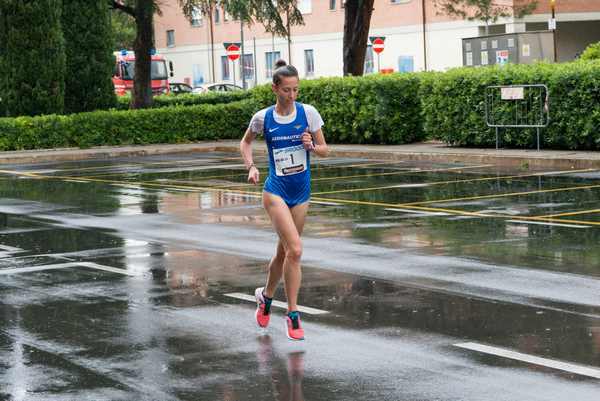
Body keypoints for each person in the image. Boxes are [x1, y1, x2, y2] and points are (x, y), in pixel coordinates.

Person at [240, 60, 328, 341]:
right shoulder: (263, 118)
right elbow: (245, 142)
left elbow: (325, 149)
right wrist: (251, 166)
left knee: (285, 253)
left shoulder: (309, 114)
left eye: (296, 90)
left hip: (301, 192)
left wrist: (311, 146)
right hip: (275, 190)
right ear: (275, 88)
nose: (292, 96)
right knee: (297, 250)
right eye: (287, 90)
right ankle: (292, 314)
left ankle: (265, 296)